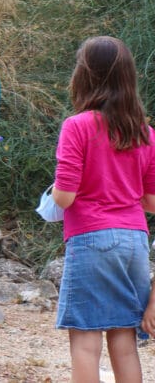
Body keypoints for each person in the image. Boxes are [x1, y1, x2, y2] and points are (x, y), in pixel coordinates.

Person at [51, 36, 155, 383]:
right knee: (124, 339)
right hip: (135, 242)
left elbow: (64, 198)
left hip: (92, 238)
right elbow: (151, 202)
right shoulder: (146, 134)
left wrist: (55, 190)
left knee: (85, 341)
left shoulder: (77, 126)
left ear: (85, 76)